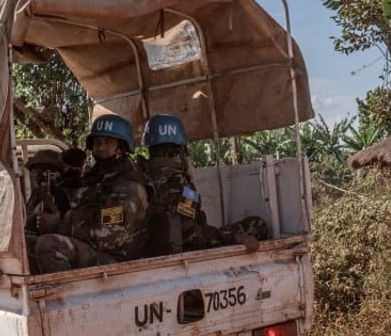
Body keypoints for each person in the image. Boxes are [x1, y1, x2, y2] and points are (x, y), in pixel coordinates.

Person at [31, 114, 151, 273]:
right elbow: (78, 213)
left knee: (49, 245)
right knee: (26, 244)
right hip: (95, 249)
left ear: (121, 148)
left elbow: (110, 237)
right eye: (98, 142)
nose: (101, 148)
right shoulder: (95, 179)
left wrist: (59, 226)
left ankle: (65, 297)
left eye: (108, 142)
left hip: (118, 260)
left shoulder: (128, 186)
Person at [139, 114, 268, 255]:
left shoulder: (140, 178)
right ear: (177, 149)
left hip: (150, 249)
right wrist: (233, 236)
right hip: (186, 248)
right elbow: (191, 232)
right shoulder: (178, 182)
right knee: (257, 225)